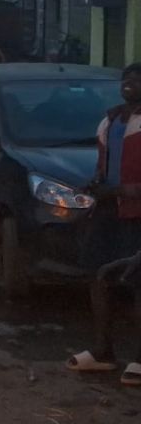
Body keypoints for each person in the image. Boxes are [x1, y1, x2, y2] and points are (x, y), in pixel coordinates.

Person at [67, 63, 141, 385]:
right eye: (127, 78)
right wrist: (95, 186)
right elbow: (104, 166)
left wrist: (124, 191)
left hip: (136, 214)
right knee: (98, 276)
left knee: (138, 284)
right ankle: (102, 351)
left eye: (138, 80)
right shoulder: (109, 121)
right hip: (108, 212)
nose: (130, 83)